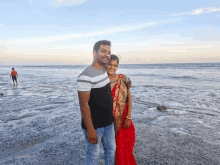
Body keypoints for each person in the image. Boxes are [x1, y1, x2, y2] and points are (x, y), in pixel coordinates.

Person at [77, 40, 116, 165]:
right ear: (94, 52)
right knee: (93, 154)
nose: (106, 55)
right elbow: (84, 105)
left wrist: (125, 78)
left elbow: (114, 72)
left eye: (108, 52)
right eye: (103, 51)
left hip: (109, 123)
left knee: (111, 150)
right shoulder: (85, 76)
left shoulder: (104, 69)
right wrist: (90, 130)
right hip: (95, 126)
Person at [106, 54, 137, 165]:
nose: (112, 67)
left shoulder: (123, 79)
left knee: (124, 149)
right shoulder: (101, 81)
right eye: (110, 64)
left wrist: (128, 117)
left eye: (115, 65)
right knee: (112, 149)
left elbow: (129, 99)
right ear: (105, 64)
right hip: (109, 122)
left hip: (123, 120)